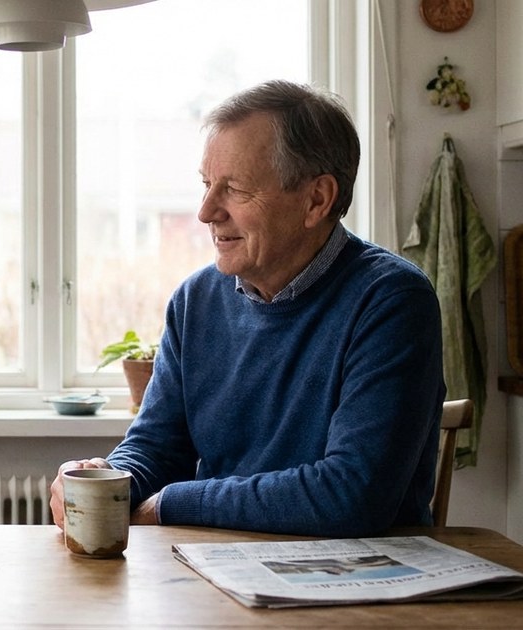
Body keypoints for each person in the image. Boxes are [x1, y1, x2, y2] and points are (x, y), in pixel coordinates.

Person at [50, 80, 445, 538]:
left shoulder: (392, 299)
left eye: (234, 189)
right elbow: (157, 447)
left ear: (317, 199)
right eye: (205, 185)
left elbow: (352, 495)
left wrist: (169, 504)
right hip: (215, 570)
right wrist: (108, 480)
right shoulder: (194, 301)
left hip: (361, 589)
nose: (205, 211)